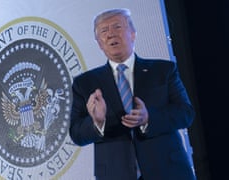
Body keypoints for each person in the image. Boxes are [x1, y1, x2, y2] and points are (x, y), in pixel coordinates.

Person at [69, 8, 196, 180]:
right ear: (99, 43)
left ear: (133, 34)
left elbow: (185, 114)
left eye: (117, 27)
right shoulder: (85, 83)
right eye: (104, 31)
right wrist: (97, 122)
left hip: (168, 171)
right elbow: (76, 134)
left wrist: (149, 118)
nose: (111, 34)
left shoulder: (163, 70)